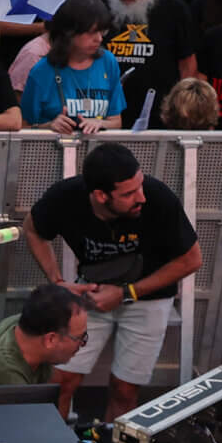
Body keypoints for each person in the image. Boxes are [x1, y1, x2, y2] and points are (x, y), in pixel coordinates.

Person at [22, 142, 202, 419]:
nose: (141, 197)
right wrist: (57, 283)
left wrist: (126, 293)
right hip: (90, 294)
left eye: (140, 185)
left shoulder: (158, 197)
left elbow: (191, 259)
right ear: (100, 195)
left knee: (125, 389)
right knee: (59, 382)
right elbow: (32, 229)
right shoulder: (66, 196)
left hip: (149, 298)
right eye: (129, 193)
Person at [102, 0, 198, 121]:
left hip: (159, 115)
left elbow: (187, 65)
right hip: (108, 116)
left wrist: (182, 108)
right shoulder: (102, 9)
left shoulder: (174, 10)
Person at [19, 0, 126, 134]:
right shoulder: (42, 71)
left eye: (102, 31)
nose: (99, 39)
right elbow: (23, 127)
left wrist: (99, 122)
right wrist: (50, 126)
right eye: (91, 32)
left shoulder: (108, 61)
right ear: (68, 32)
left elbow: (116, 121)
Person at [0, 284, 90, 387]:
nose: (82, 345)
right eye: (79, 338)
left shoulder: (26, 323)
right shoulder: (7, 376)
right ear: (50, 339)